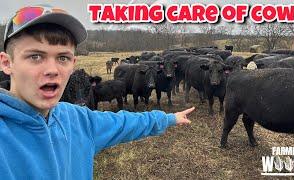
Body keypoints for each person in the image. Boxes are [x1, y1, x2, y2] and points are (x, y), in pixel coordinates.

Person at [0, 5, 195, 179]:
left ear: (73, 65)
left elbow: (125, 122)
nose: (52, 70)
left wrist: (168, 119)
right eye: (35, 56)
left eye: (63, 58)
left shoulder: (78, 119)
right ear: (6, 63)